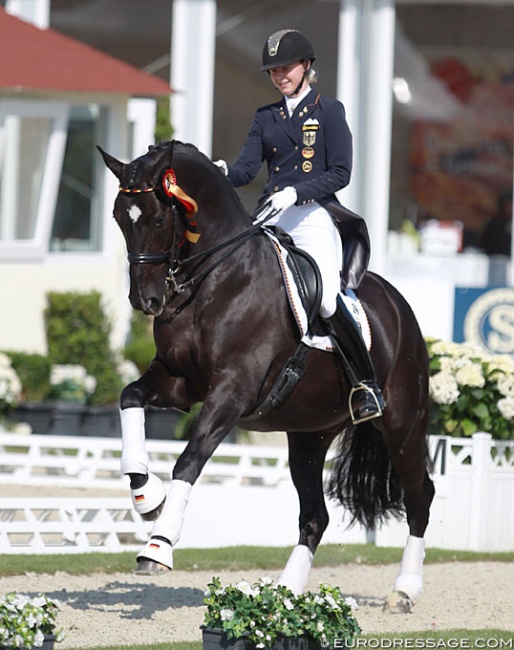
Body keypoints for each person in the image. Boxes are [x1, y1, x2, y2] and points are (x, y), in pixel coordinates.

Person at [214, 29, 384, 424]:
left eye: (285, 67)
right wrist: (218, 171)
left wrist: (297, 192)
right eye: (273, 70)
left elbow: (341, 172)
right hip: (272, 214)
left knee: (324, 296)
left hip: (312, 215)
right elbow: (244, 170)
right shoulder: (265, 116)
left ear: (306, 66)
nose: (279, 76)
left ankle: (365, 384)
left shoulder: (329, 111)